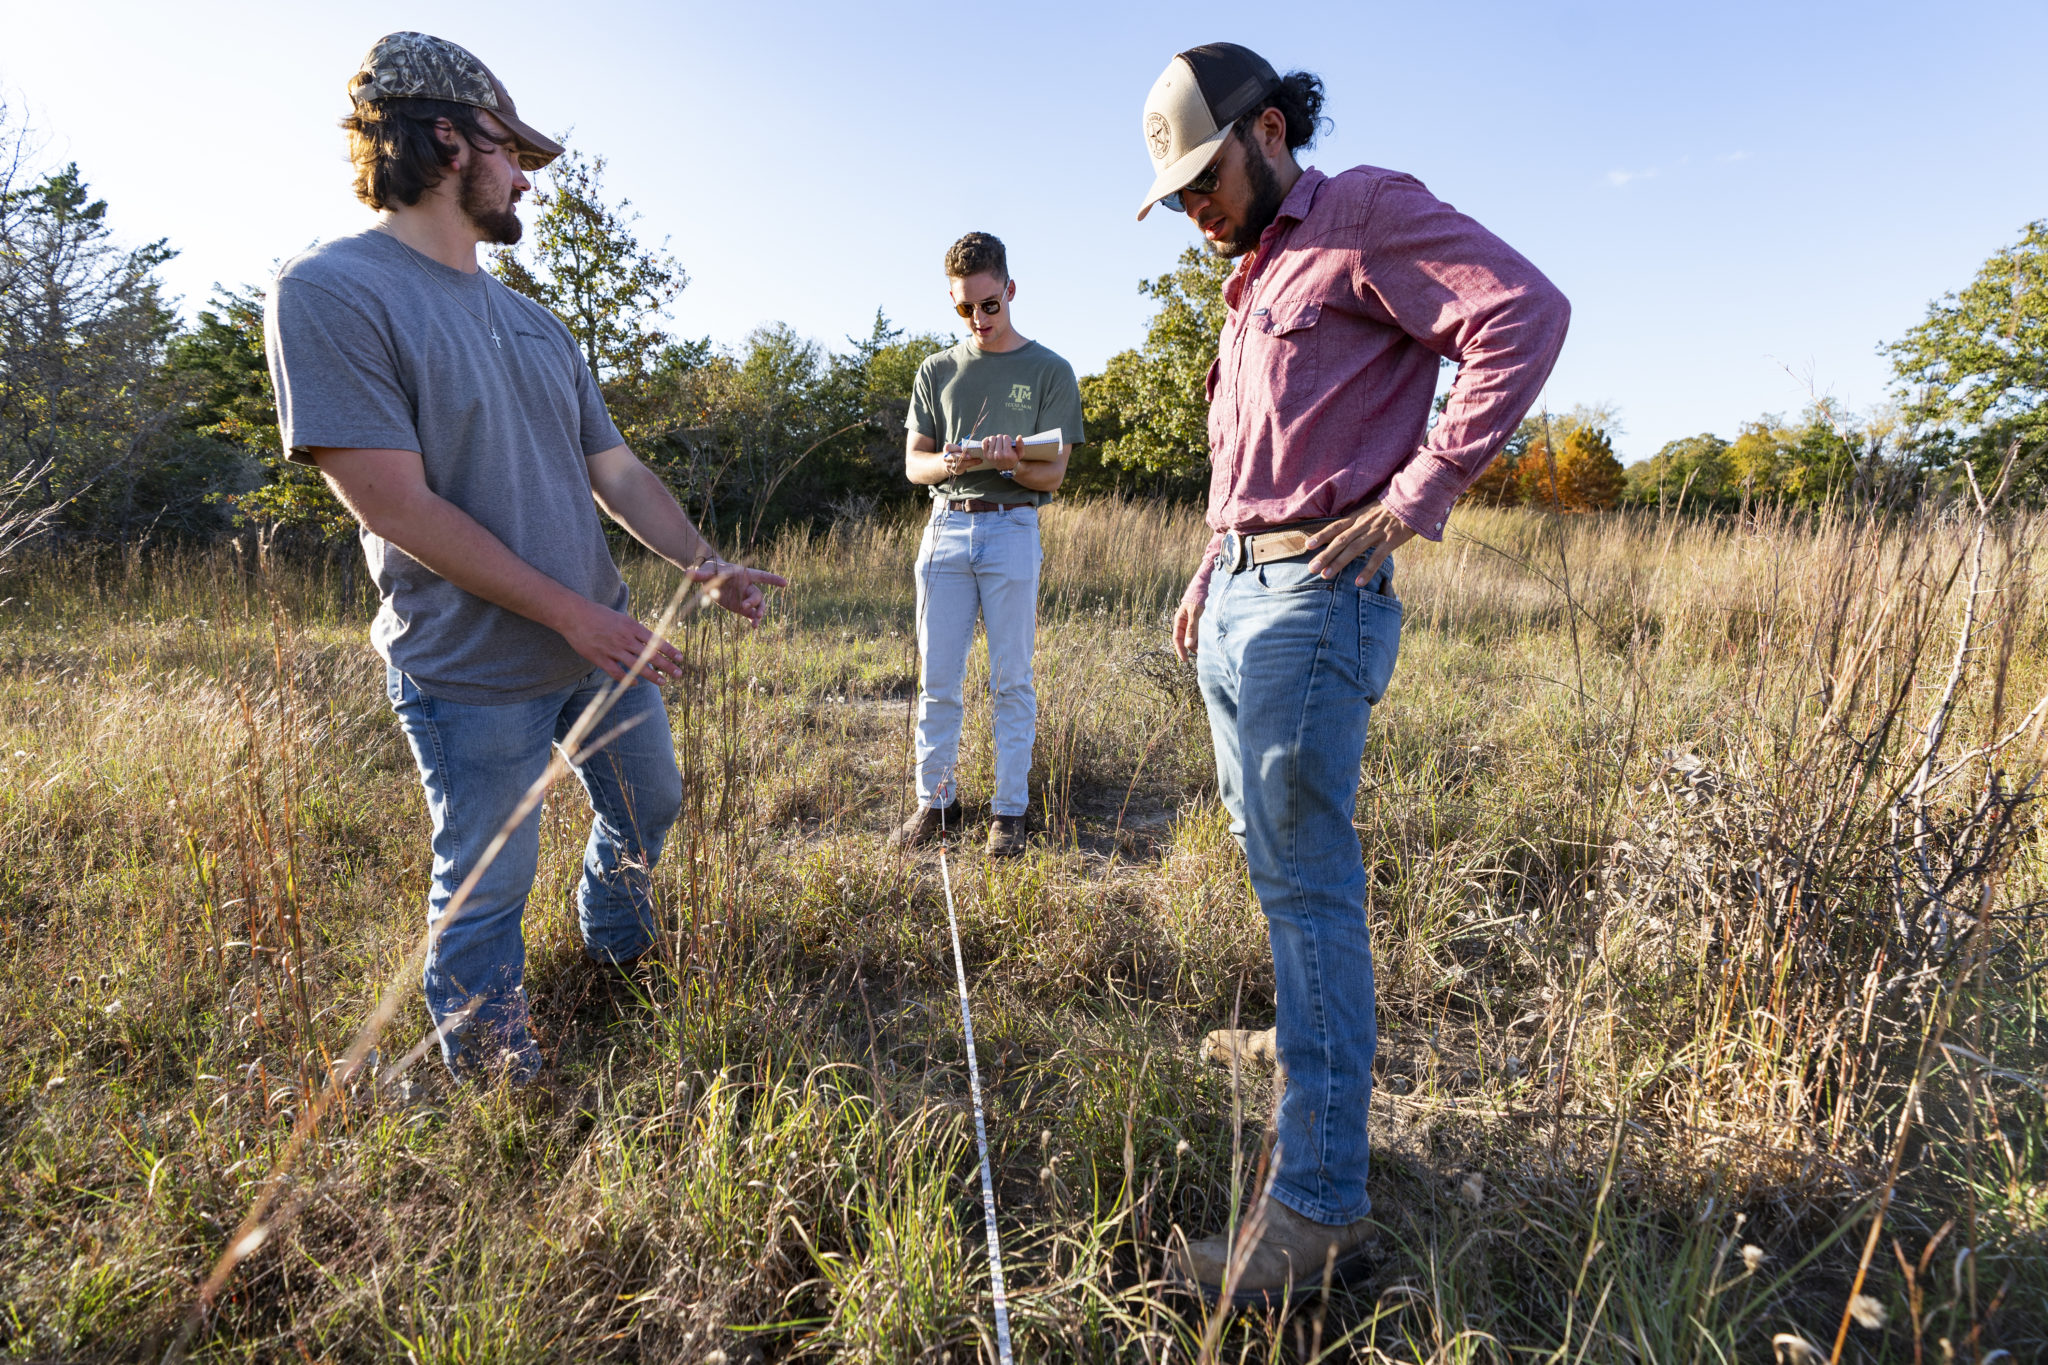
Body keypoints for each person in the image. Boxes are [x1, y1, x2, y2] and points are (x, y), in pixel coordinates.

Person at [1135, 43, 1570, 1300]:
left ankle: (1314, 1211)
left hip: (1314, 607)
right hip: (1242, 594)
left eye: (1201, 180)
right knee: (1278, 879)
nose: (1192, 212)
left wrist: (1418, 493)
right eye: (1174, 198)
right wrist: (1209, 568)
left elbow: (1521, 315)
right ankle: (1304, 1085)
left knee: (1310, 895)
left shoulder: (1362, 212)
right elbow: (1264, 449)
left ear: (1267, 131)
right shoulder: (1255, 267)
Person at [264, 32, 784, 1082]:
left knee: (651, 806)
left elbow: (618, 472)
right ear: (450, 139)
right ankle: (495, 1070)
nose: (526, 182)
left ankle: (618, 948)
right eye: (514, 154)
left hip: (598, 643)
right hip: (469, 665)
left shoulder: (535, 321)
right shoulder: (331, 291)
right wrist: (569, 613)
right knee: (488, 877)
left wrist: (701, 563)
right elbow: (391, 503)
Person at [890, 232, 1085, 858]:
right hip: (944, 526)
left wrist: (1007, 466)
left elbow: (1051, 474)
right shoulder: (936, 371)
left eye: (989, 304)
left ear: (1010, 290)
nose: (978, 319)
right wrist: (948, 464)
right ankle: (936, 804)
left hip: (1012, 527)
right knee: (938, 679)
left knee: (1011, 681)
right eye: (964, 308)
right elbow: (913, 465)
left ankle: (1009, 811)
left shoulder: (1050, 370)